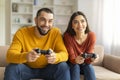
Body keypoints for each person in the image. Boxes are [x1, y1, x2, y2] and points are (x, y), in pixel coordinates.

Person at [4, 8, 70, 80]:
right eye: (42, 20)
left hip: (49, 69)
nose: (46, 24)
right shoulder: (21, 33)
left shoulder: (56, 32)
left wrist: (56, 57)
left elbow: (65, 54)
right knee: (12, 68)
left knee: (63, 66)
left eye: (50, 21)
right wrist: (26, 56)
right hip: (26, 69)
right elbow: (9, 55)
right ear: (35, 20)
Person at [63, 11, 98, 80]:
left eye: (82, 21)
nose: (80, 25)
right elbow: (72, 58)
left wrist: (92, 58)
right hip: (72, 63)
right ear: (72, 26)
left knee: (89, 67)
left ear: (86, 23)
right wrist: (76, 60)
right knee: (75, 66)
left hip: (85, 64)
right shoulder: (67, 36)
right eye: (76, 22)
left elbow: (88, 59)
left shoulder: (91, 35)